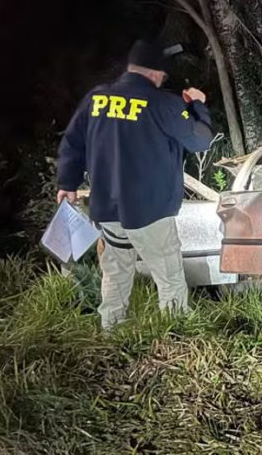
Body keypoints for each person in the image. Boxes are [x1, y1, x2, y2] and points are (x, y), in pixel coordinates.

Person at [56, 40, 215, 329]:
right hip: (149, 212)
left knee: (115, 274)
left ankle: (112, 332)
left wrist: (67, 182)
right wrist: (198, 106)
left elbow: (73, 142)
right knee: (169, 277)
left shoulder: (97, 99)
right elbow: (200, 140)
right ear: (156, 73)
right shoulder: (162, 104)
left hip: (107, 210)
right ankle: (174, 333)